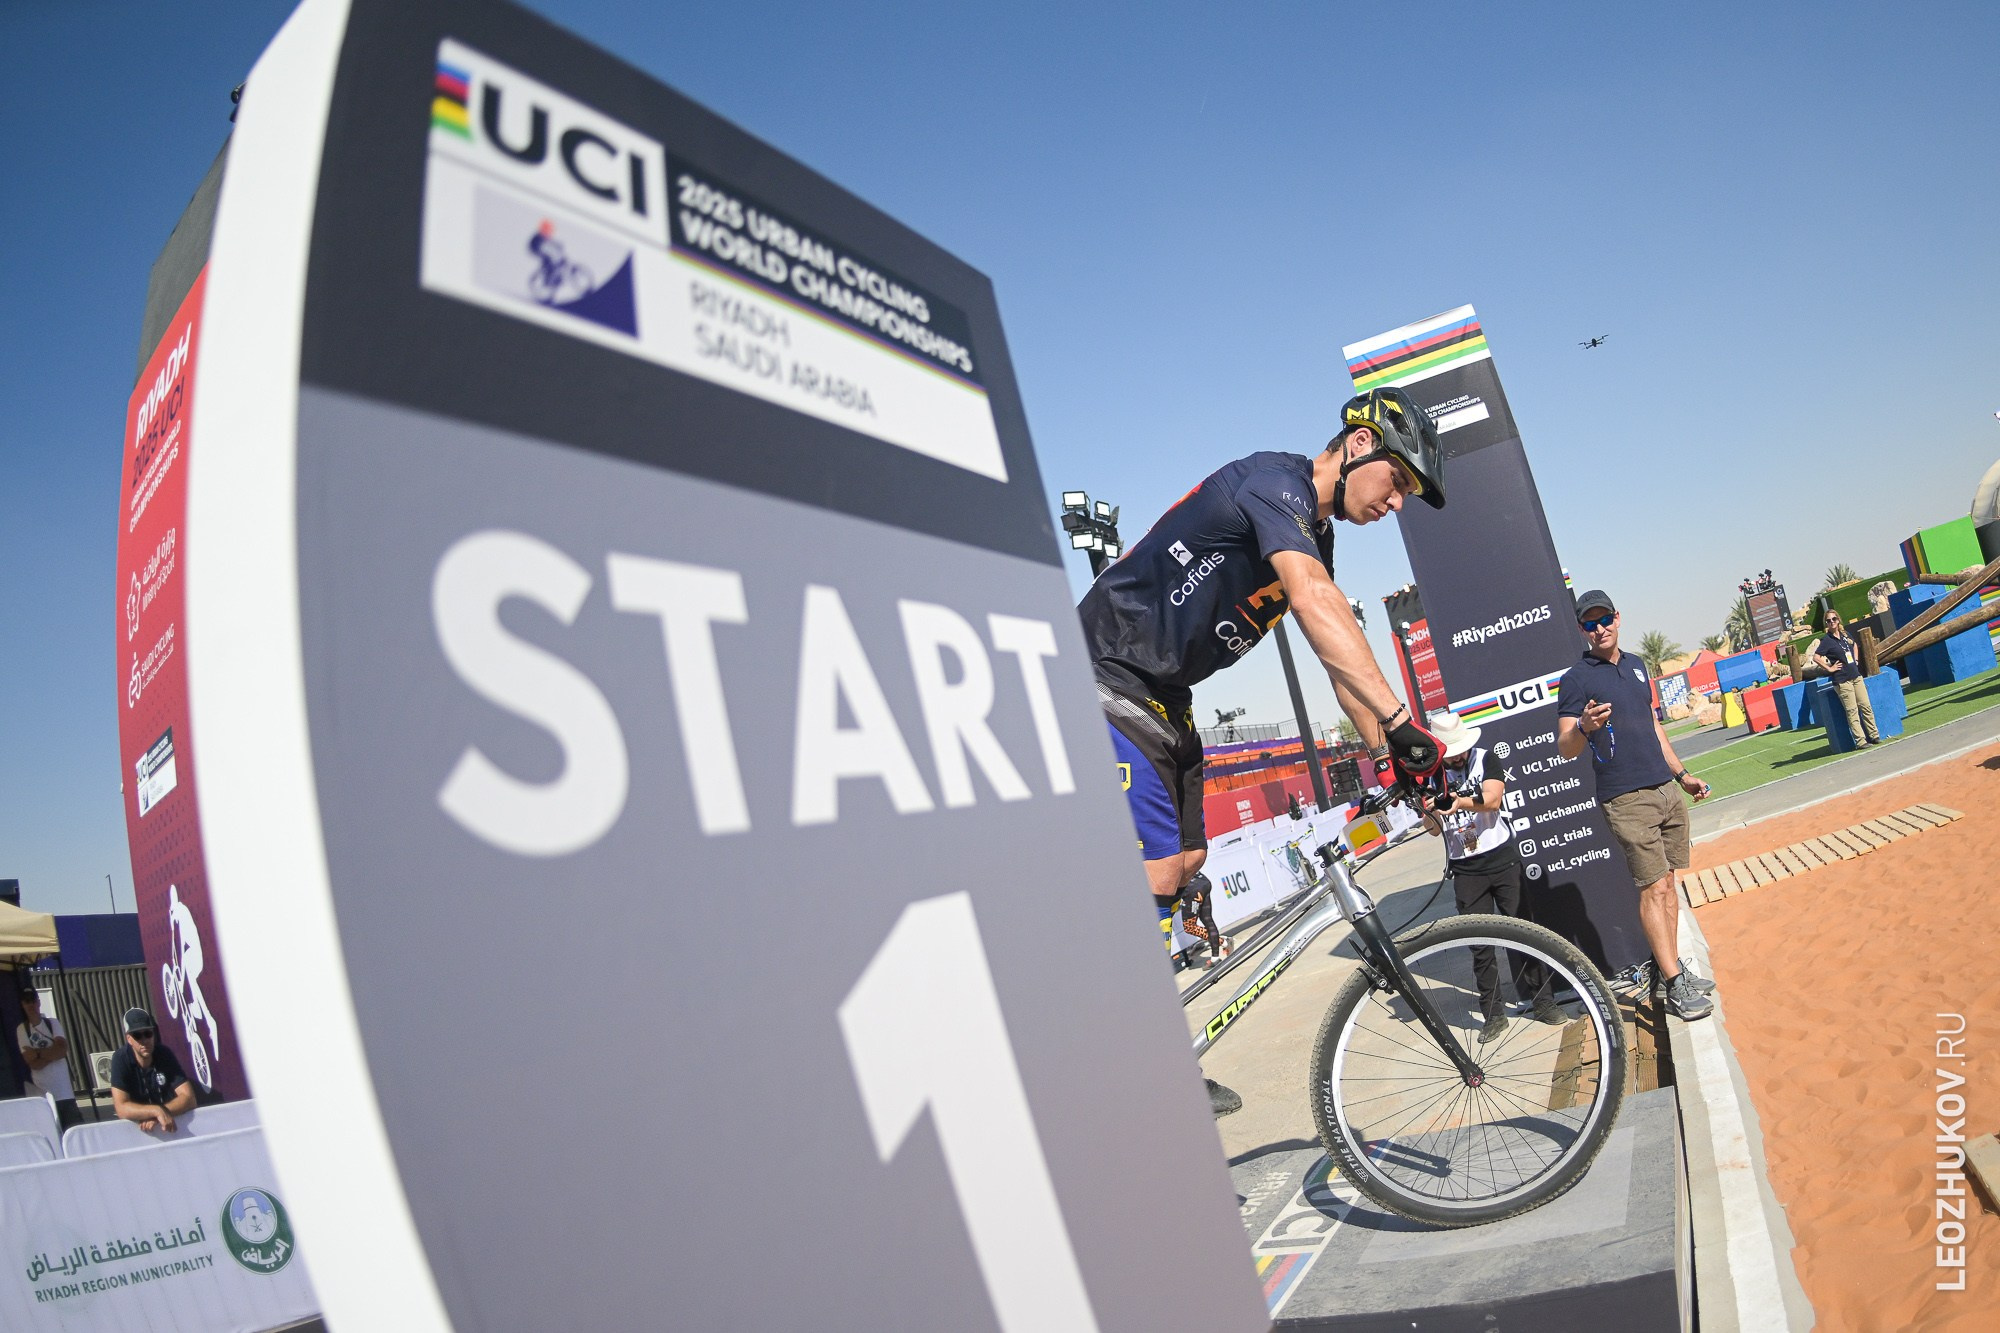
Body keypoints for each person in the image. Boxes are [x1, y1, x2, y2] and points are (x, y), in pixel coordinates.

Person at [1078, 386, 1450, 1113]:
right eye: (1400, 481)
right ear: (1361, 444)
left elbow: (1340, 659)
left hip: (1162, 691)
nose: (1397, 502)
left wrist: (1392, 760)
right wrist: (1405, 719)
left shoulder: (1318, 532)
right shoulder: (1273, 484)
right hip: (1101, 668)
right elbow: (1313, 603)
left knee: (1186, 861)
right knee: (1156, 865)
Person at [1555, 591, 1716, 1020]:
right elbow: (1565, 747)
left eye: (1605, 619)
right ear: (1582, 630)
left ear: (1618, 618)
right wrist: (1585, 727)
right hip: (1626, 798)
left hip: (1665, 789)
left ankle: (1672, 973)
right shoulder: (1576, 679)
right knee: (1654, 888)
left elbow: (1655, 728)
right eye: (1590, 623)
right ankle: (1675, 985)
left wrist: (1684, 776)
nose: (1600, 628)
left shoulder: (1638, 665)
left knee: (1670, 883)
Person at [1418, 712, 1568, 1042]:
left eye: (1457, 750)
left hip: (1501, 859)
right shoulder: (1429, 775)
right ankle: (1493, 1015)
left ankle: (1543, 1002)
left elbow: (1492, 800)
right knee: (1480, 944)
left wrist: (1458, 802)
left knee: (1523, 931)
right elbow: (1432, 830)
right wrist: (1428, 808)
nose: (1454, 757)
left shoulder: (1486, 758)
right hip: (1465, 868)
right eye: (1449, 752)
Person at [108, 1007, 198, 1134]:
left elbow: (189, 1098)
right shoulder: (120, 1059)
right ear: (129, 1039)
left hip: (169, 1126)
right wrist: (155, 1111)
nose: (144, 1040)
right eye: (137, 1035)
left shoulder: (164, 1053)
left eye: (148, 1034)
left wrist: (161, 1113)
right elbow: (121, 1108)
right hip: (139, 1131)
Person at [1813, 610, 1884, 748]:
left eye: (1834, 619)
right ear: (1826, 624)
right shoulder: (1826, 640)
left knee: (1866, 705)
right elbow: (1816, 657)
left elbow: (1855, 645)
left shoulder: (1845, 635)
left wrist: (1856, 659)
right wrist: (1829, 668)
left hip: (1856, 676)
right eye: (1828, 620)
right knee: (1852, 711)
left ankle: (1874, 735)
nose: (1832, 622)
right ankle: (1861, 741)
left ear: (1838, 620)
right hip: (1842, 680)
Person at [16, 990, 80, 1130]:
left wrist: (37, 1053)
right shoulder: (22, 1029)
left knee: (76, 1133)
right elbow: (32, 1062)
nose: (31, 1005)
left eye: (33, 1000)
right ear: (22, 1005)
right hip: (44, 1096)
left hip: (65, 1094)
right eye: (27, 1002)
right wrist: (52, 1053)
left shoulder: (52, 1023)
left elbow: (62, 1050)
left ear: (39, 1002)